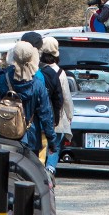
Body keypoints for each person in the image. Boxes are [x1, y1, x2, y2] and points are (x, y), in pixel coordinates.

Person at [0, 41, 56, 161]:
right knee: (27, 175)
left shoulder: (3, 80)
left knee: (3, 174)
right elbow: (46, 115)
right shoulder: (37, 85)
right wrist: (52, 140)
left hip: (4, 135)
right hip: (30, 138)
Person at [38, 36, 72, 170]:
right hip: (55, 117)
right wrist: (69, 115)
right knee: (55, 145)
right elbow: (66, 97)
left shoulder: (36, 70)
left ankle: (39, 169)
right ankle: (50, 169)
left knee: (40, 145)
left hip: (40, 116)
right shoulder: (60, 73)